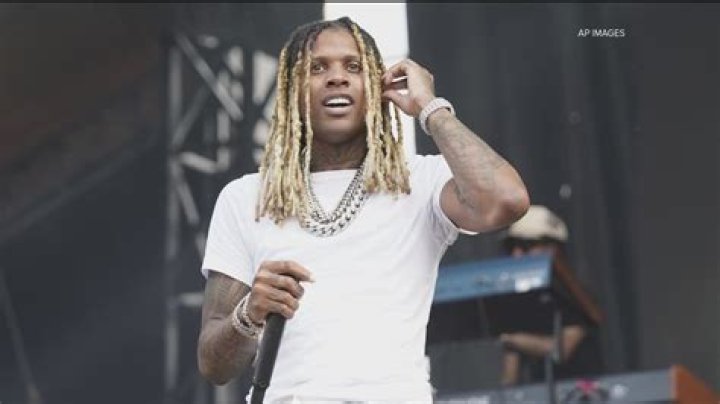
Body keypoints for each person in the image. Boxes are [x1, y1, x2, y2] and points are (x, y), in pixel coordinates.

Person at [196, 16, 530, 403]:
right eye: (317, 68)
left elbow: (506, 200)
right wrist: (249, 313)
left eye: (354, 67)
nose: (337, 78)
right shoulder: (245, 197)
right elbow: (213, 365)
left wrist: (430, 107)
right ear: (290, 90)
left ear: (376, 88)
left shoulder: (419, 181)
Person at [498, 205, 603, 385]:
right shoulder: (518, 301)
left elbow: (561, 350)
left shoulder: (577, 295)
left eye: (525, 246)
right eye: (511, 247)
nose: (516, 255)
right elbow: (509, 380)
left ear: (553, 249)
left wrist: (510, 338)